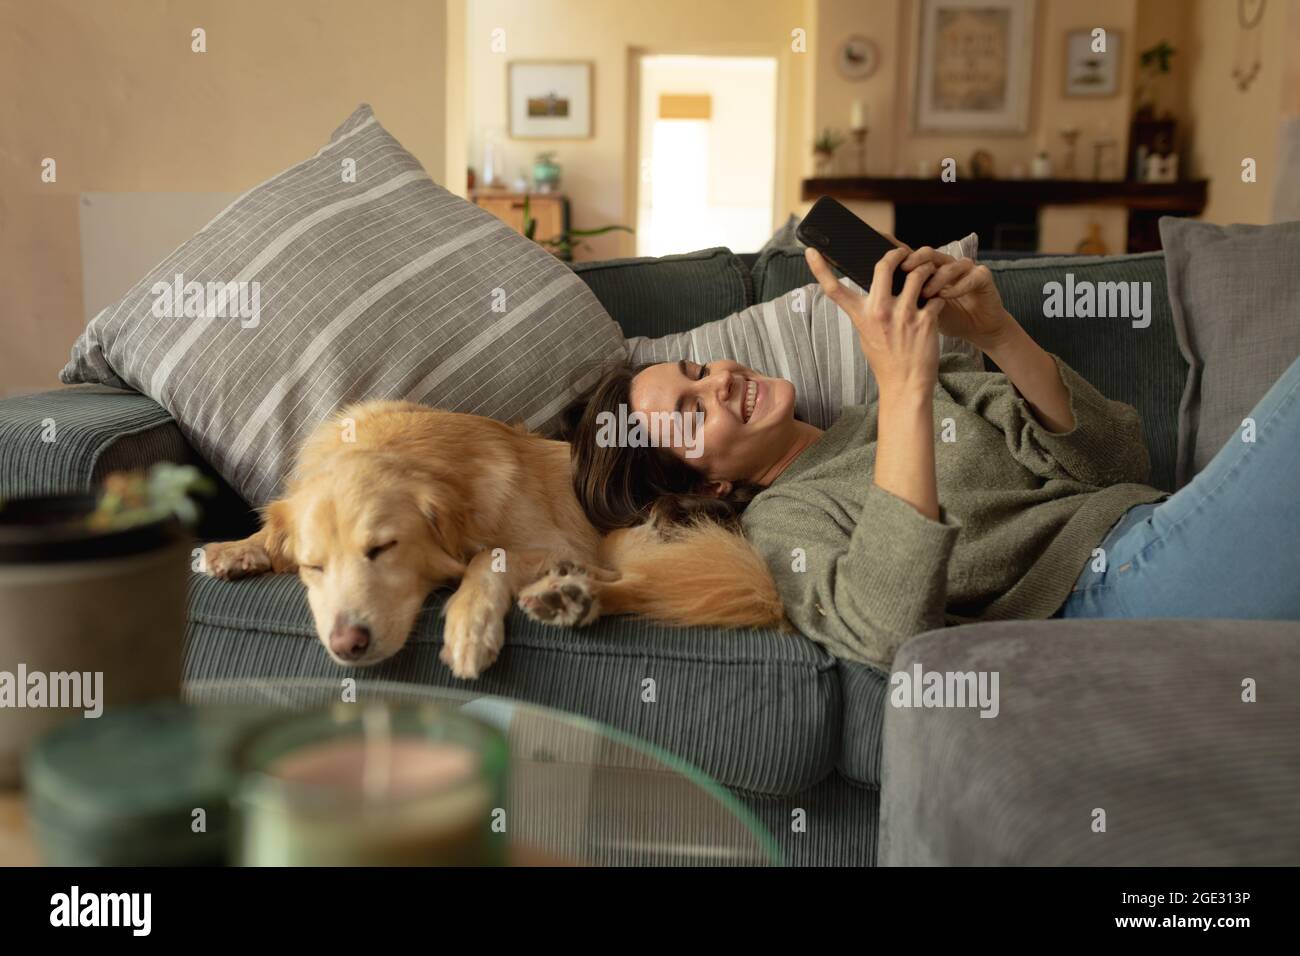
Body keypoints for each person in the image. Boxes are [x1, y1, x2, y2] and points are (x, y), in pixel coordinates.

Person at [565, 242, 1300, 668]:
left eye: (697, 371)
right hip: (1107, 606)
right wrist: (905, 387)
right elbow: (891, 629)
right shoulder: (781, 527)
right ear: (711, 486)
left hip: (1158, 529)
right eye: (692, 415)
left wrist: (997, 334)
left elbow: (1118, 463)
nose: (720, 381)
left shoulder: (913, 393)